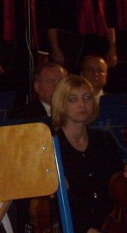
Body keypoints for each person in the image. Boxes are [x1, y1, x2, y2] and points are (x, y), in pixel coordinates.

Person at [51, 75, 127, 233]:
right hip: (71, 226)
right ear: (61, 103)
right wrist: (85, 227)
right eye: (73, 99)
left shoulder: (104, 140)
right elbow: (54, 204)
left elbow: (117, 188)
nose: (82, 104)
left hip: (111, 224)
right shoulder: (51, 145)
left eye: (87, 98)